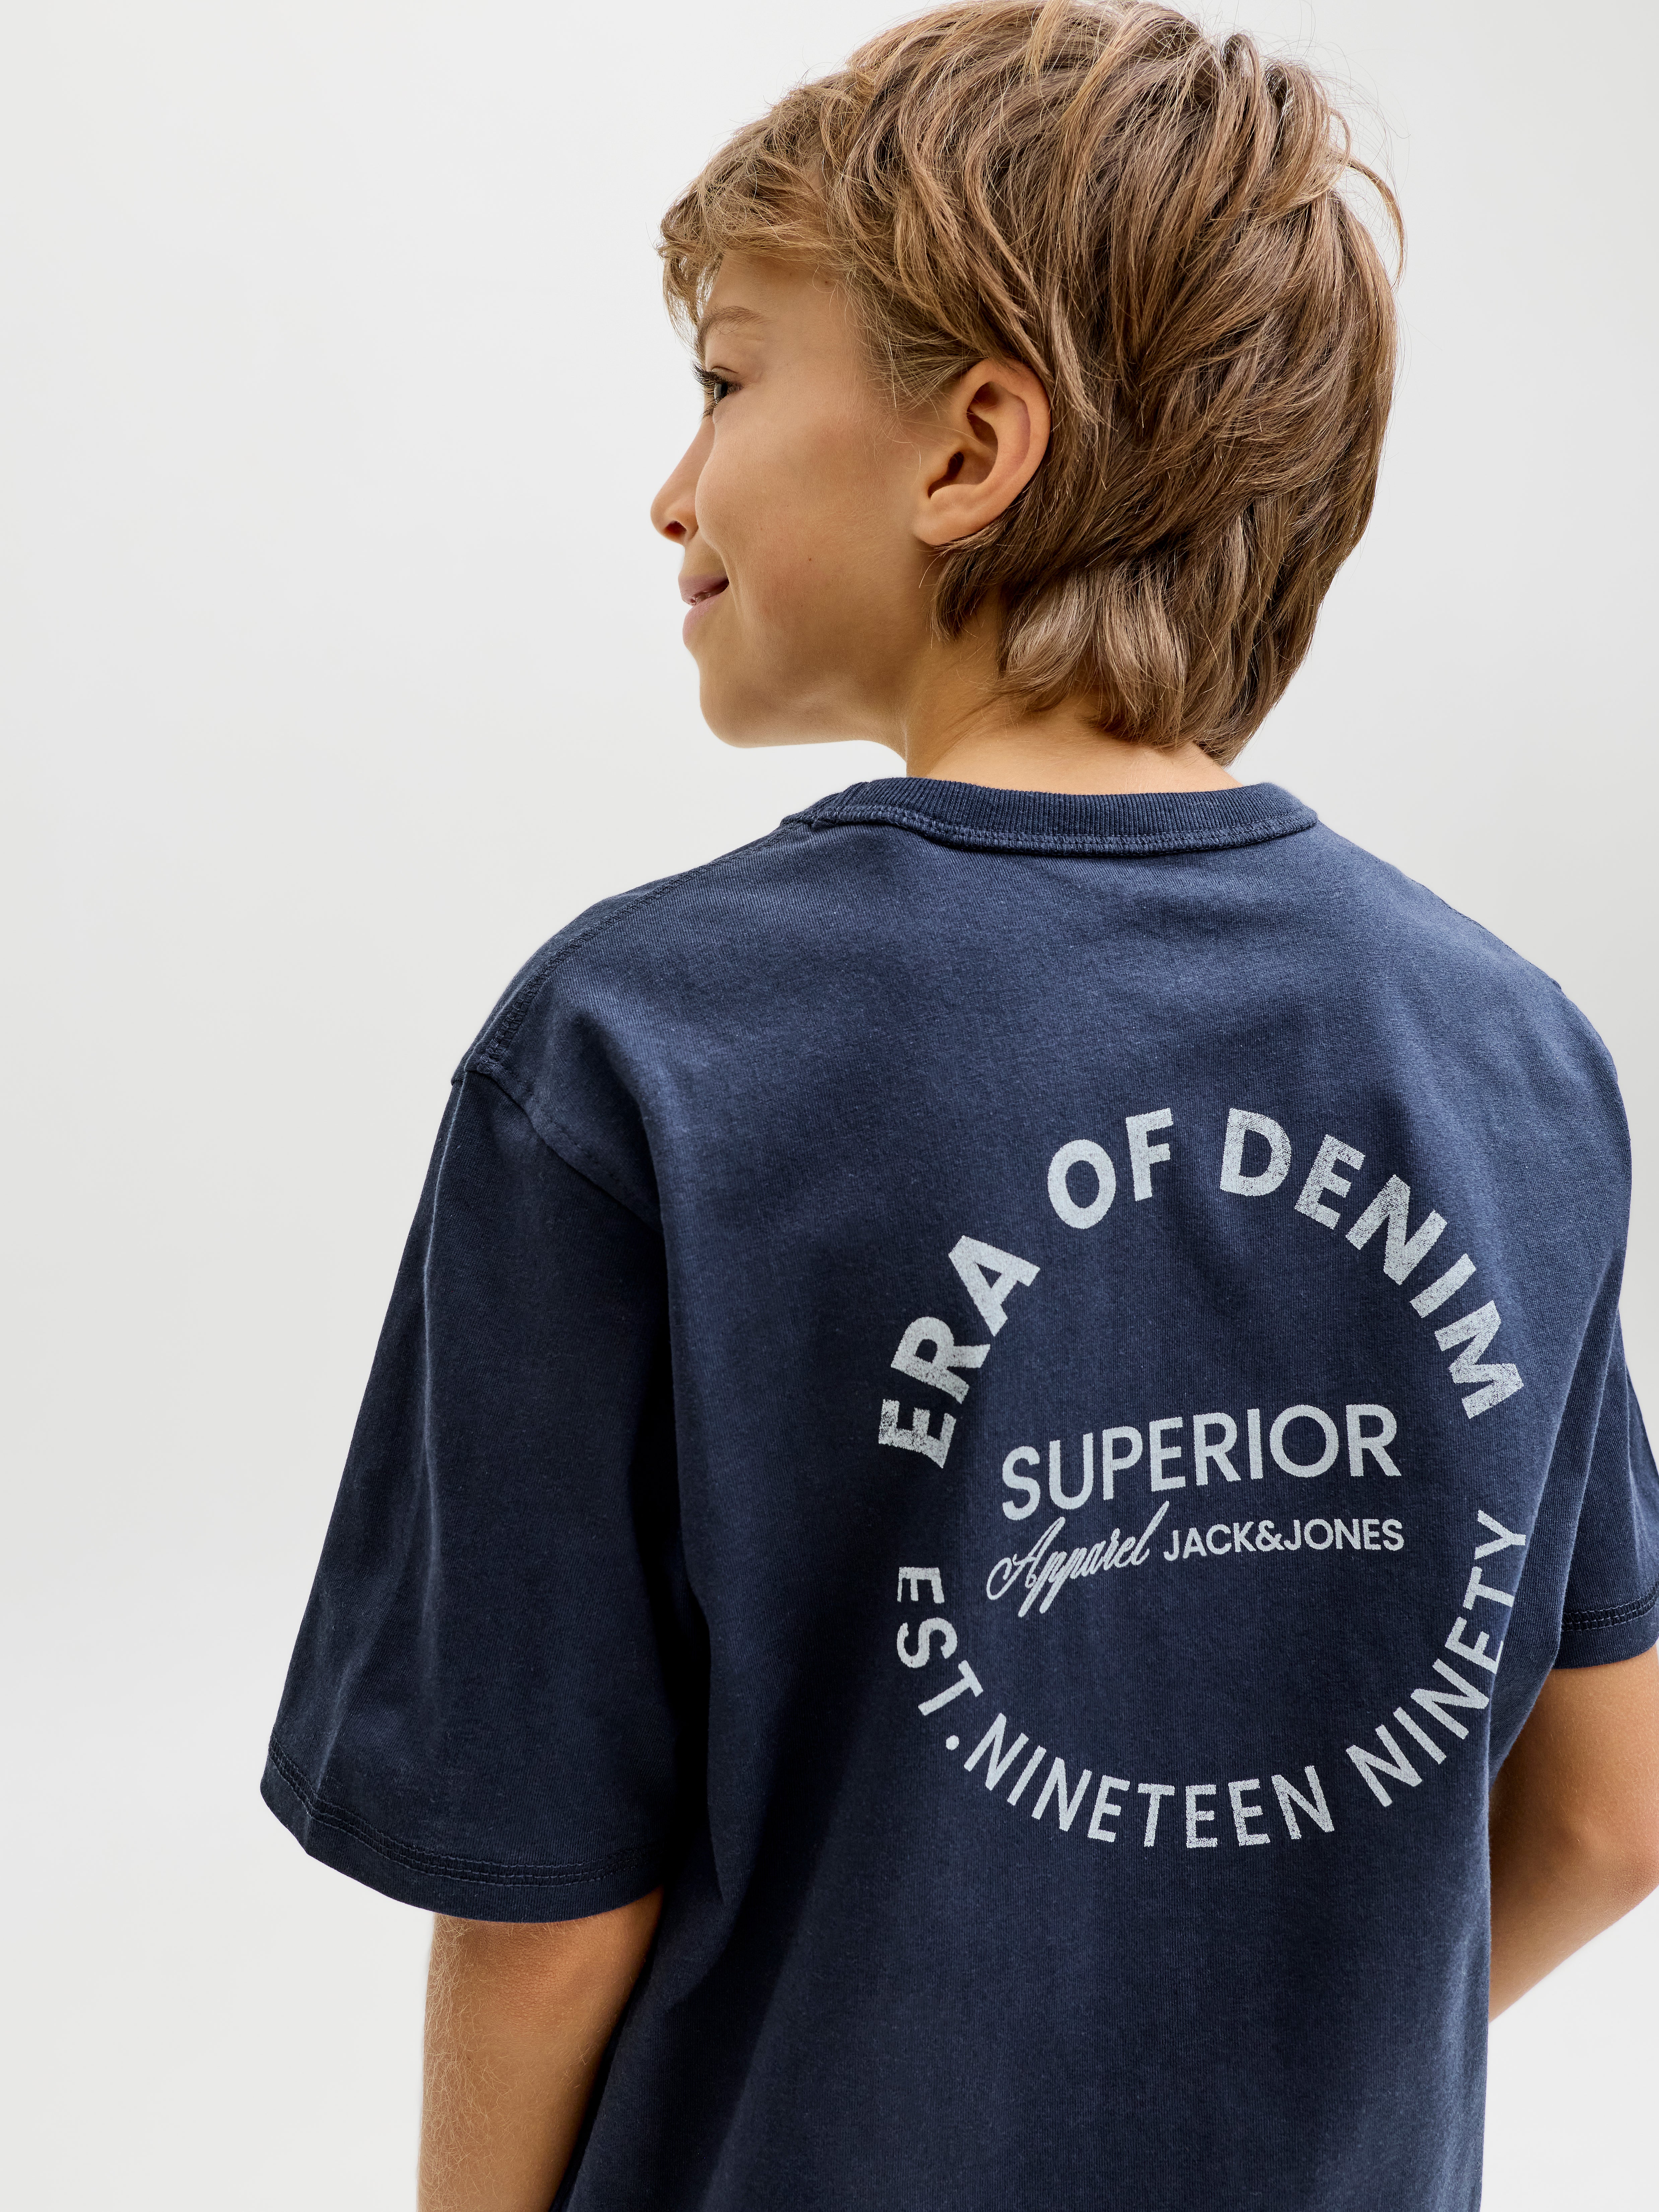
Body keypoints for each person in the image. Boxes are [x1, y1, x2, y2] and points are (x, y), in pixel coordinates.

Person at [262, 4, 1659, 2206]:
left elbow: (540, 1917)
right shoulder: (1512, 1055)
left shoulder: (644, 1051)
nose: (671, 488)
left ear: (970, 447)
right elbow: (1606, 1808)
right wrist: (1239, 2078)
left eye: (725, 379)